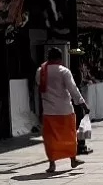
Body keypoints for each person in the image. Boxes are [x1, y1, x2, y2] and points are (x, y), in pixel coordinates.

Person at [37, 44, 87, 175]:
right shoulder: (64, 71)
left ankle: (52, 164)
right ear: (60, 58)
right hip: (65, 109)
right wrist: (82, 103)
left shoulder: (40, 71)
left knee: (50, 138)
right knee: (69, 136)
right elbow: (73, 89)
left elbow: (39, 88)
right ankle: (73, 159)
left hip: (48, 110)